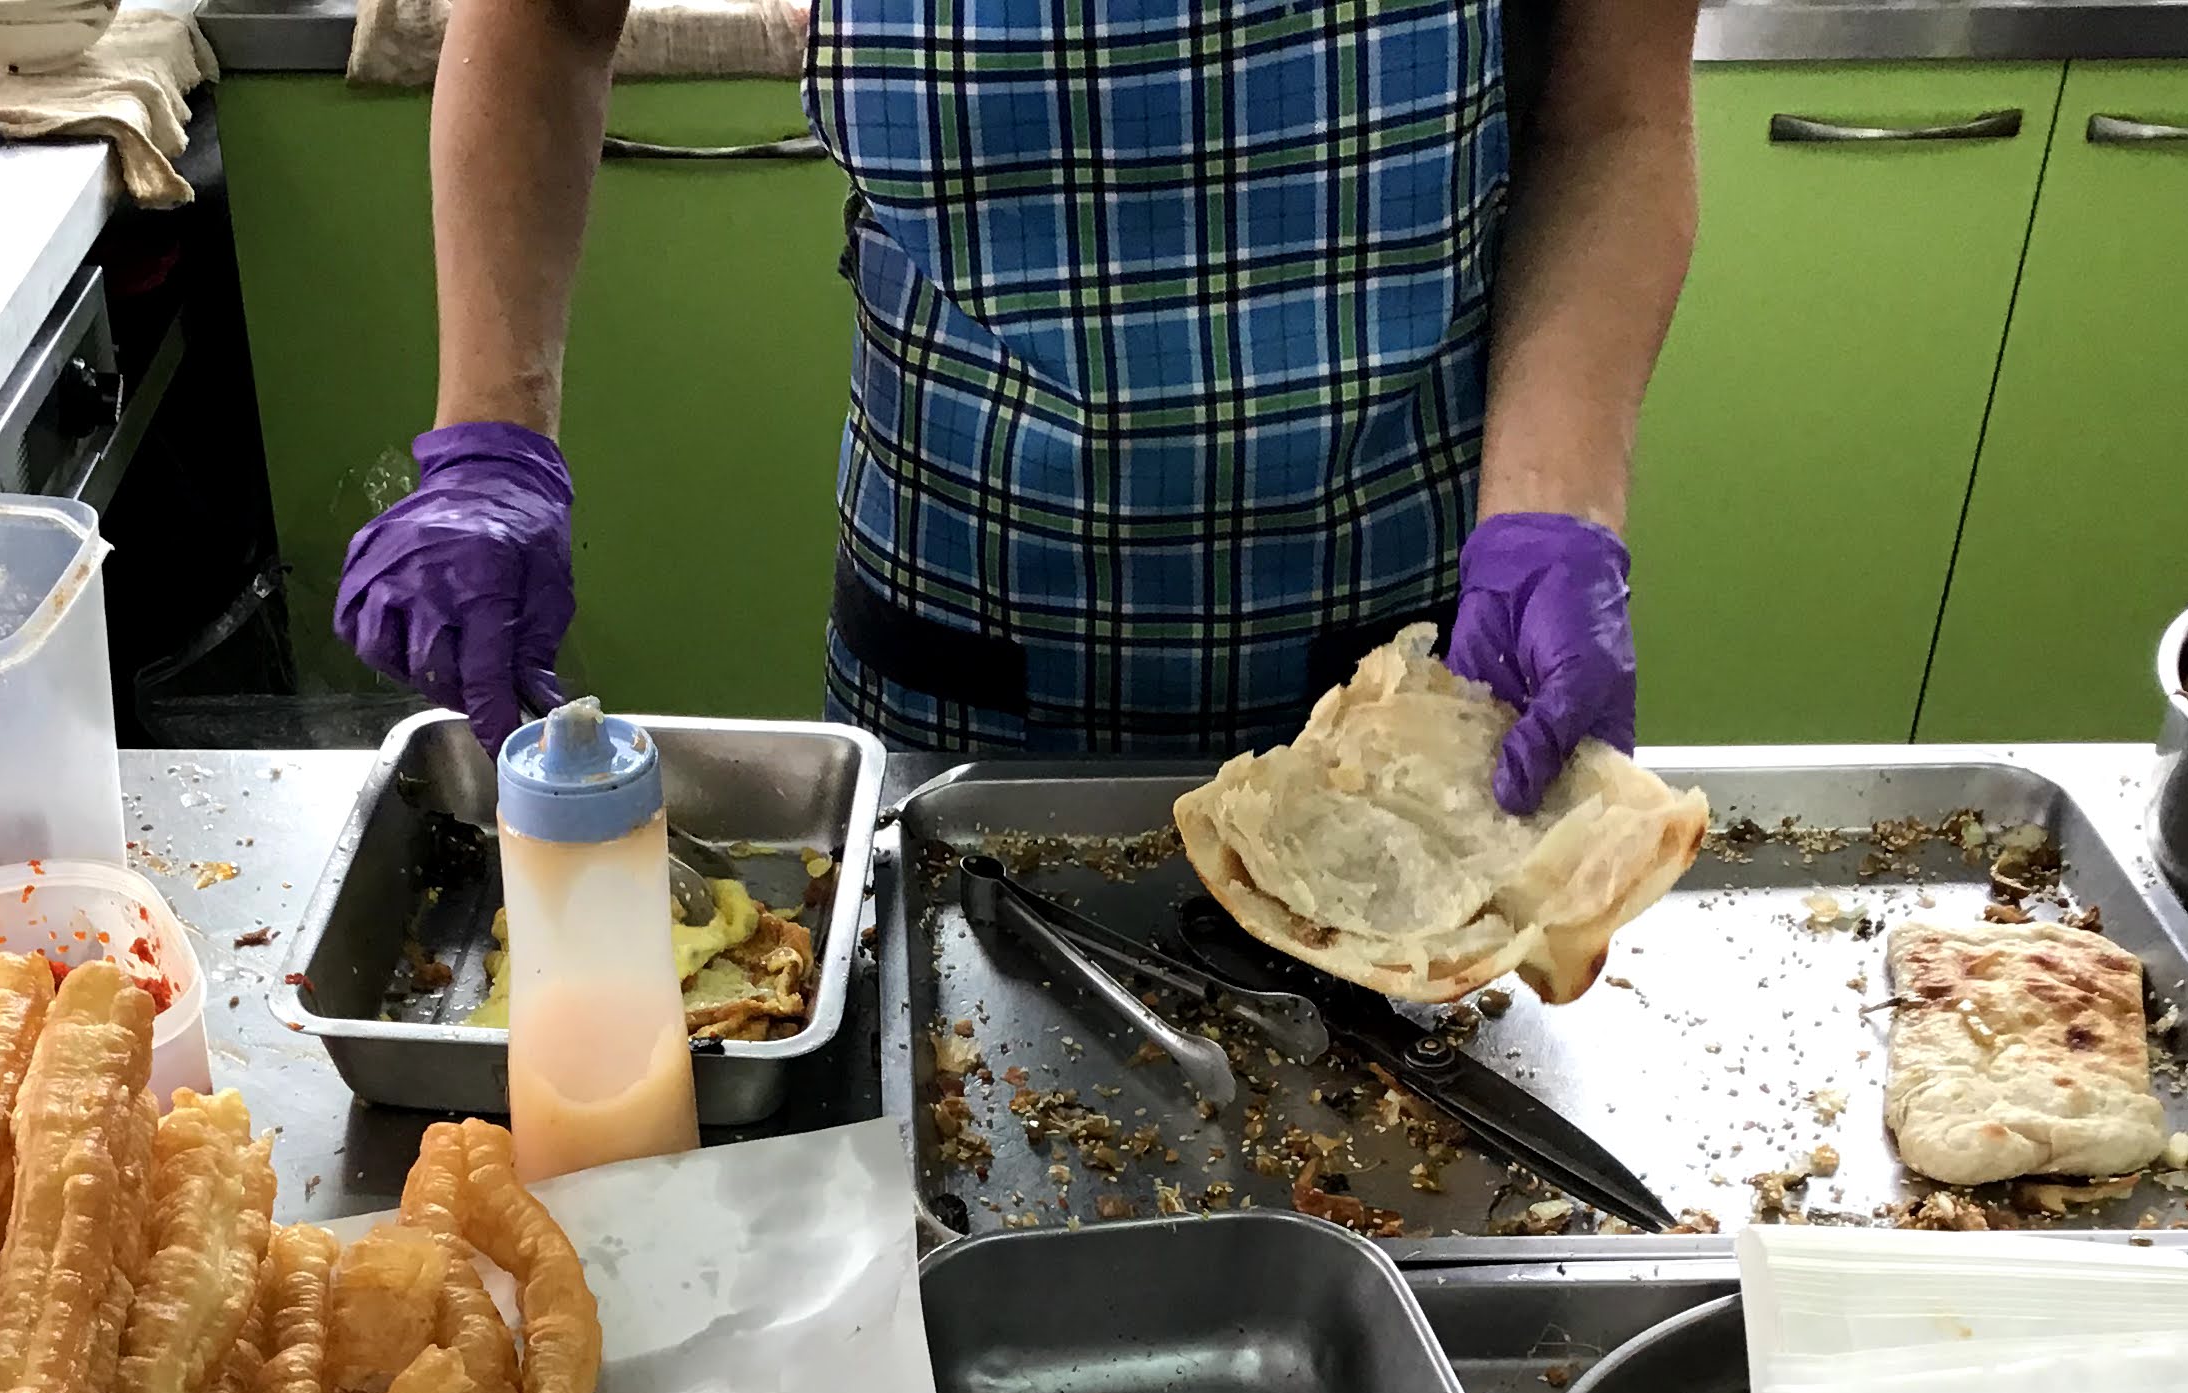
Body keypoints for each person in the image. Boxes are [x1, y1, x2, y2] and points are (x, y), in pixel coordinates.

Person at [335, 0, 1698, 812]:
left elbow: (1615, 114)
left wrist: (1555, 514)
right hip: (957, 657)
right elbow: (545, 16)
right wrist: (491, 438)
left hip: (1401, 667)